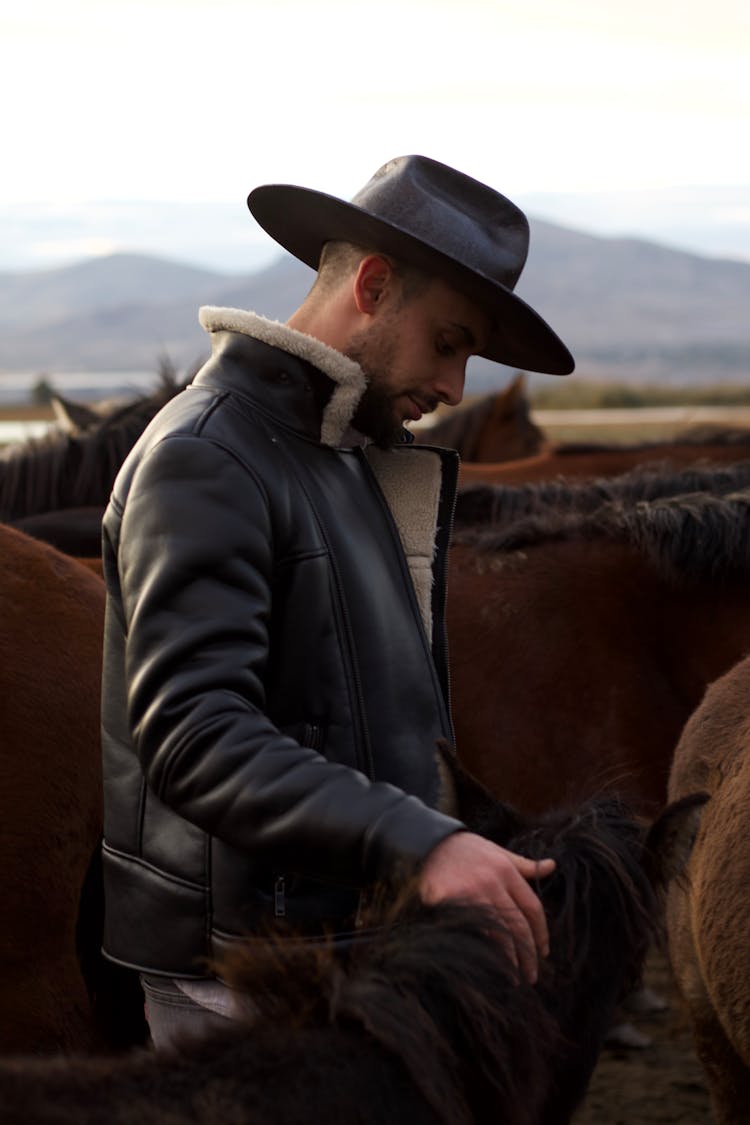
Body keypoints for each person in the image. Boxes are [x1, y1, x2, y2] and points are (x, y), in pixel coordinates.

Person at [99, 154, 575, 1048]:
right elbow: (194, 735)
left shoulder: (341, 455)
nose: (456, 389)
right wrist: (423, 843)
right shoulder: (207, 455)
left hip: (334, 946)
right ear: (374, 283)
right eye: (450, 341)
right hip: (243, 974)